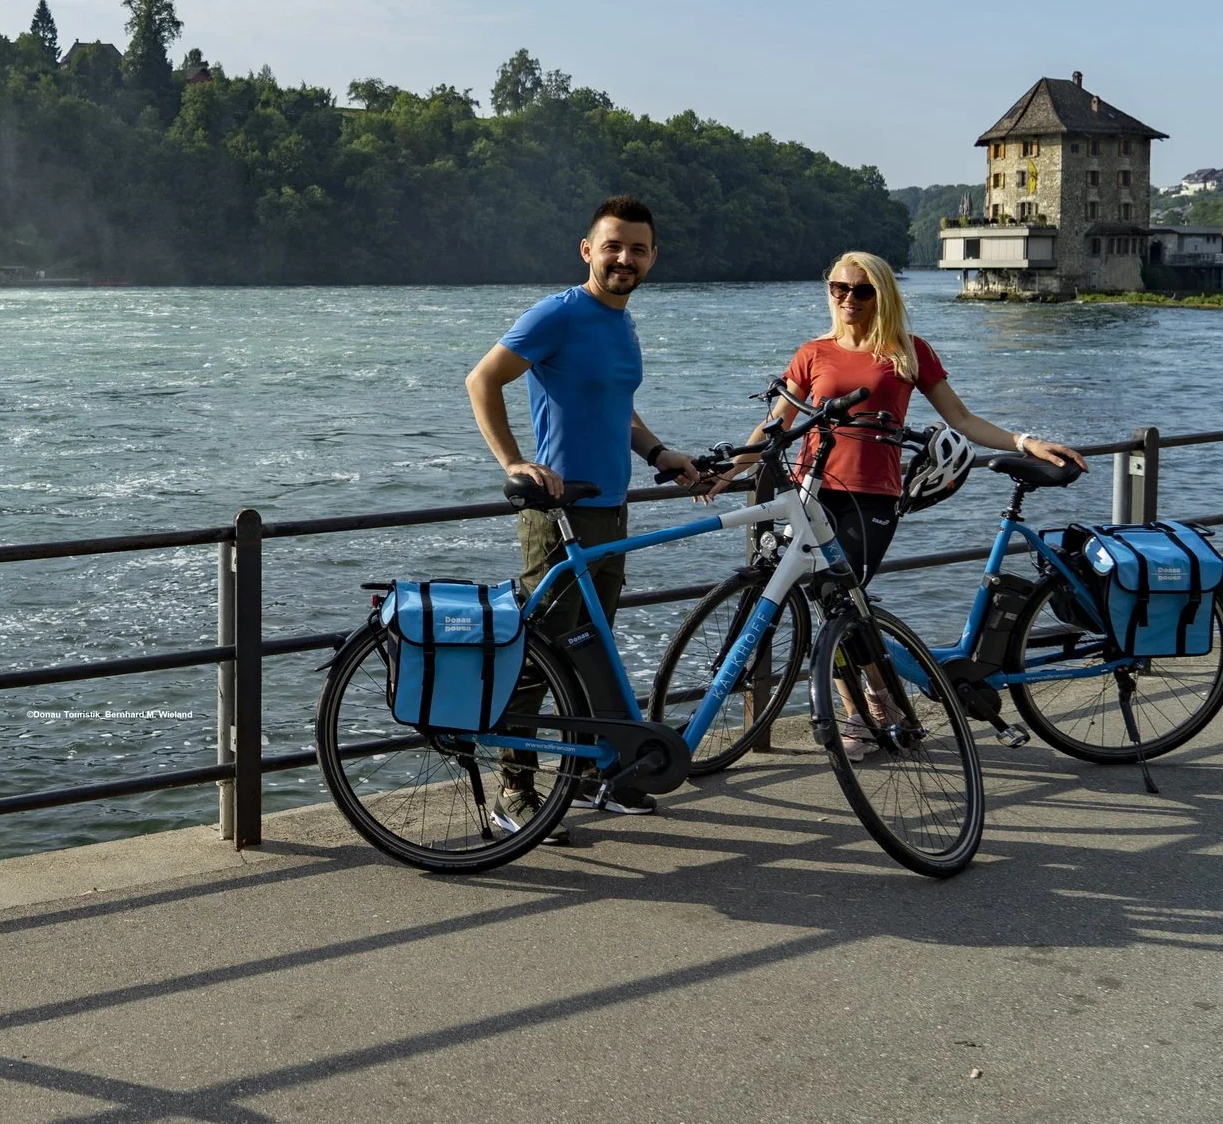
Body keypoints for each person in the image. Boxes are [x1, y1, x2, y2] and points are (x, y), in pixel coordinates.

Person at [753, 249, 1087, 754]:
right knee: (828, 604)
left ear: (882, 294)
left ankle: (877, 703)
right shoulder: (812, 352)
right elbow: (776, 424)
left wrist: (1025, 441)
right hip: (810, 492)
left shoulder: (908, 352)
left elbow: (962, 418)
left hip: (873, 495)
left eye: (862, 291)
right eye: (839, 288)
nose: (848, 299)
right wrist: (724, 467)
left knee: (841, 599)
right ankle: (865, 711)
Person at [464, 195, 714, 816]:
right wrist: (515, 463)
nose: (623, 258)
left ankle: (584, 780)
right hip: (558, 515)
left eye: (636, 248)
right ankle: (514, 791)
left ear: (653, 258)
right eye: (612, 246)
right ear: (587, 250)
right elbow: (483, 379)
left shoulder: (622, 321)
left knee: (588, 654)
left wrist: (658, 453)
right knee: (538, 655)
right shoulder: (560, 313)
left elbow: (614, 406)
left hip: (612, 507)